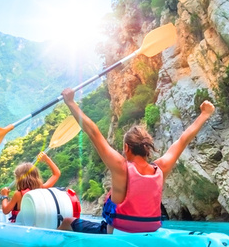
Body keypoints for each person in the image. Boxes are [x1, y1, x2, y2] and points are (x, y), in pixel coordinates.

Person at [57, 88, 216, 234]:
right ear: (147, 149)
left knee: (67, 221)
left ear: (126, 148)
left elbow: (93, 132)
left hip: (118, 232)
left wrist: (70, 102)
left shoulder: (120, 167)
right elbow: (182, 140)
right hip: (150, 231)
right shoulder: (160, 169)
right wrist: (204, 115)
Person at [0, 151, 61, 222]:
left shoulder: (18, 194)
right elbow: (56, 174)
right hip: (35, 224)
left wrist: (4, 196)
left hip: (20, 226)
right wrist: (46, 159)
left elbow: (5, 210)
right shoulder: (42, 188)